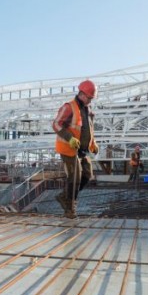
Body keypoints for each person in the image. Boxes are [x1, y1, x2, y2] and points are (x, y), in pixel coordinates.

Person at [52, 79, 99, 218]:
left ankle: (65, 197)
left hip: (81, 150)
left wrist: (93, 144)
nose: (90, 100)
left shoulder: (87, 110)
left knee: (87, 175)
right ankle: (69, 209)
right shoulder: (69, 107)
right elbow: (56, 124)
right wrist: (69, 138)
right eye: (89, 98)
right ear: (82, 94)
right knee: (75, 177)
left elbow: (88, 131)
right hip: (68, 148)